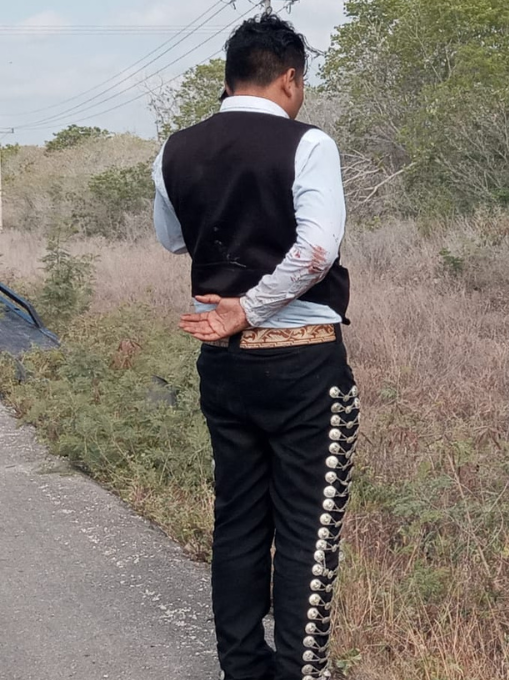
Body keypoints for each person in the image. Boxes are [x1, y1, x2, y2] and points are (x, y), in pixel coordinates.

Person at [151, 14, 356, 680]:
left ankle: (244, 668)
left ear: (231, 74)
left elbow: (173, 238)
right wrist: (252, 305)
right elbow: (318, 248)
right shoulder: (308, 143)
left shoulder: (175, 150)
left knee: (238, 520)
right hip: (300, 360)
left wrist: (233, 288)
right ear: (289, 77)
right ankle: (300, 672)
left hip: (225, 364)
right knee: (306, 527)